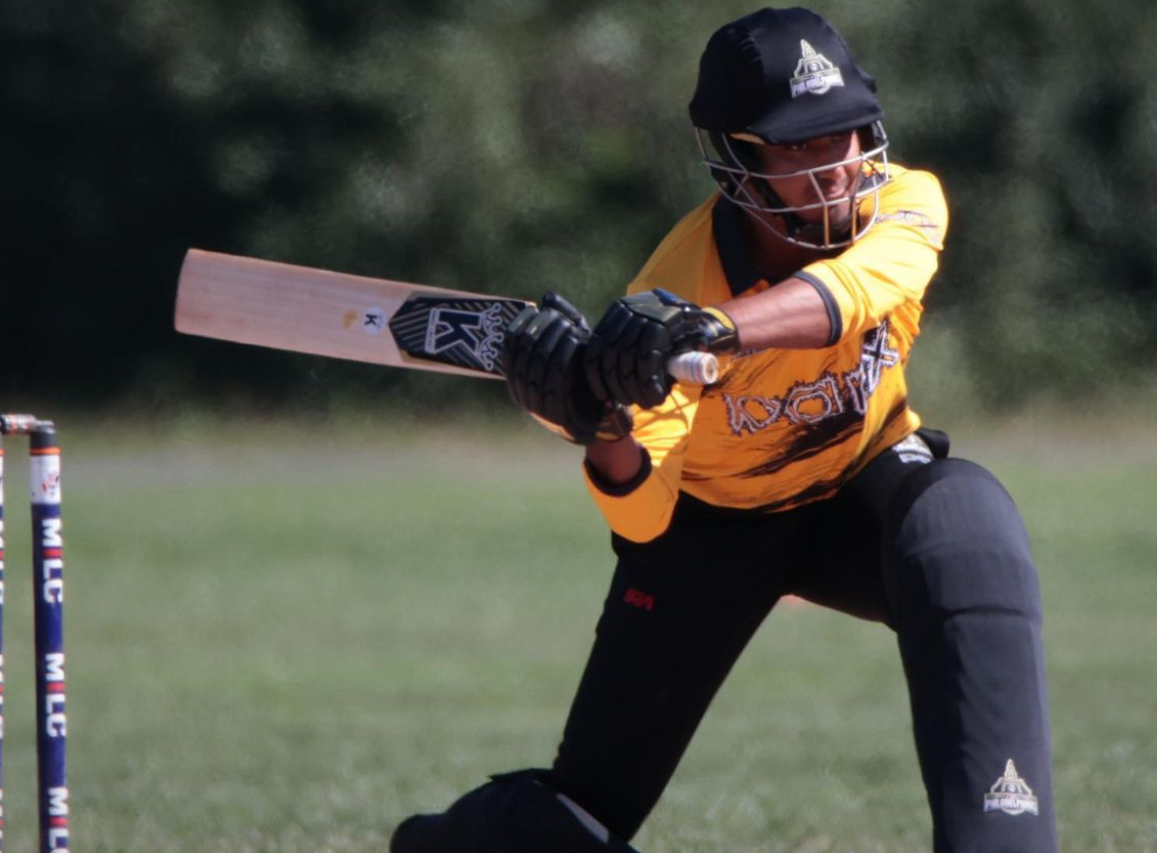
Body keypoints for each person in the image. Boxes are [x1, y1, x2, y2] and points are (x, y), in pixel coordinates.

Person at [393, 8, 1056, 853]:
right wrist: (598, 421)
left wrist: (713, 328)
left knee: (966, 516)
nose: (837, 165)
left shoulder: (904, 199)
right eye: (800, 146)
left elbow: (858, 289)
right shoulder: (676, 281)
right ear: (739, 158)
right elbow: (642, 514)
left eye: (846, 132)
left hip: (859, 487)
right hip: (709, 534)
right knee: (577, 821)